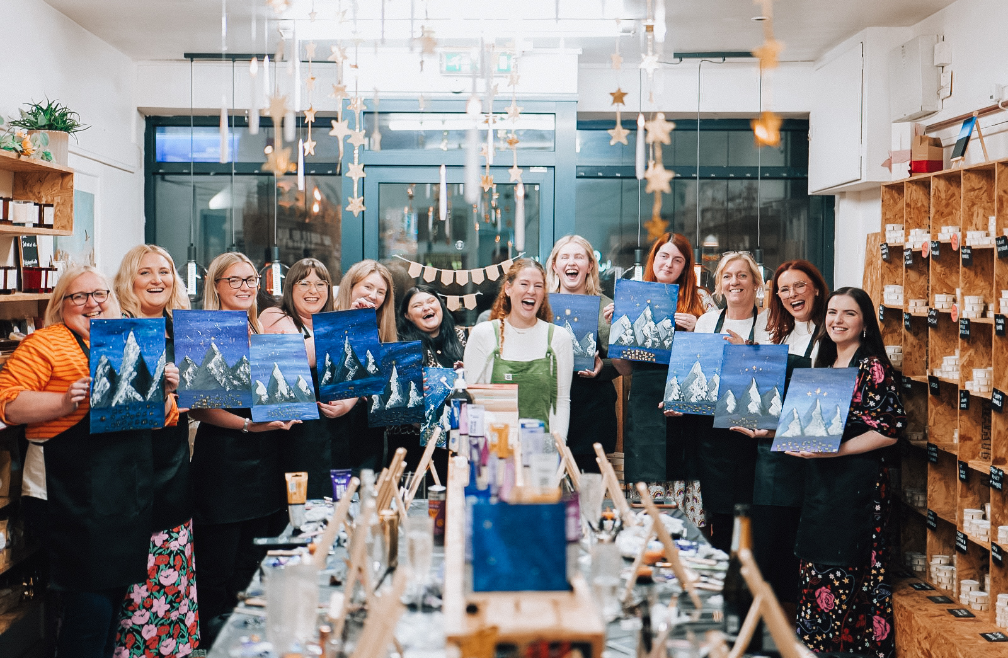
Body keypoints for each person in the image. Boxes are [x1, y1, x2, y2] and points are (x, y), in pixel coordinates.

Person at [0, 266, 180, 658]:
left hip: (124, 496)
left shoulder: (129, 344)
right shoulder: (44, 344)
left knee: (111, 604)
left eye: (100, 295)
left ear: (113, 300)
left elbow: (163, 419)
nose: (92, 304)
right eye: (78, 297)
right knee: (88, 609)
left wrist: (163, 391)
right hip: (71, 496)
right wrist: (64, 402)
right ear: (60, 305)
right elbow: (9, 404)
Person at [189, 252, 299, 644]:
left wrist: (289, 409)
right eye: (233, 280)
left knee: (252, 561)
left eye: (250, 279)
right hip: (223, 458)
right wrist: (249, 425)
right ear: (215, 285)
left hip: (266, 458)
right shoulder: (203, 331)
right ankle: (210, 644)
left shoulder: (262, 331)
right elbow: (201, 409)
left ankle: (243, 641)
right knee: (218, 564)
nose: (244, 287)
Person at [112, 245, 200, 656]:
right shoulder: (114, 330)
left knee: (171, 563)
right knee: (133, 582)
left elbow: (206, 399)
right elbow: (110, 403)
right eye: (145, 272)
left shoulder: (182, 329)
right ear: (129, 280)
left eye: (164, 272)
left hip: (172, 462)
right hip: (127, 466)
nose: (157, 280)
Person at [607, 233, 715, 526]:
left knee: (684, 477)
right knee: (647, 484)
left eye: (677, 259)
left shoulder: (701, 300)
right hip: (644, 405)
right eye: (663, 256)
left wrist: (699, 328)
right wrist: (618, 332)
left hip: (686, 409)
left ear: (686, 266)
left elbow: (714, 359)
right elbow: (624, 368)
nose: (669, 264)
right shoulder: (632, 296)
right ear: (653, 259)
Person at [750, 260, 829, 610]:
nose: (792, 294)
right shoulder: (777, 335)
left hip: (813, 456)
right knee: (769, 547)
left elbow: (826, 408)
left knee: (801, 547)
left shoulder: (830, 335)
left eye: (799, 286)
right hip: (771, 459)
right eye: (784, 289)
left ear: (815, 287)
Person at [686, 252, 763, 552]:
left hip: (753, 435)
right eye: (728, 276)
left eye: (742, 275)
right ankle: (724, 582)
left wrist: (748, 351)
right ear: (719, 285)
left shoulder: (769, 323)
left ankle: (748, 585)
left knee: (750, 516)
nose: (735, 282)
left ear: (755, 283)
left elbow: (774, 373)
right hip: (713, 436)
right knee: (720, 515)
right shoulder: (707, 322)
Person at [464, 259, 573, 438]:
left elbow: (562, 402)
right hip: (495, 452)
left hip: (542, 452)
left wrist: (556, 451)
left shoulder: (559, 338)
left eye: (538, 286)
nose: (531, 291)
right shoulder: (484, 335)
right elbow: (472, 401)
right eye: (524, 284)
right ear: (508, 288)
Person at [259, 258, 340, 499]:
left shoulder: (332, 321)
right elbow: (297, 357)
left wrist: (346, 404)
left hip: (331, 433)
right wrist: (346, 330)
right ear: (290, 288)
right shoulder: (273, 315)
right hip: (288, 435)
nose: (313, 291)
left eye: (321, 284)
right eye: (304, 283)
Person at [546, 235, 619, 472]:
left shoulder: (608, 307)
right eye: (565, 257)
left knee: (589, 492)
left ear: (590, 266)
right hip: (549, 408)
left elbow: (624, 364)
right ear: (555, 265)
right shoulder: (540, 306)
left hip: (593, 413)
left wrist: (602, 369)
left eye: (579, 257)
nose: (572, 262)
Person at [329, 260, 399, 472]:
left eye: (381, 292)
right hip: (333, 428)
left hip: (369, 429)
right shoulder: (328, 320)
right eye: (367, 287)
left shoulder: (384, 332)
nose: (373, 296)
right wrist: (351, 318)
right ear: (351, 286)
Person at [395, 285, 468, 479]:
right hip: (414, 443)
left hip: (457, 440)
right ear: (407, 316)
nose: (426, 308)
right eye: (417, 305)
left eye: (431, 301)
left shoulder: (463, 338)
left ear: (441, 305)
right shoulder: (402, 346)